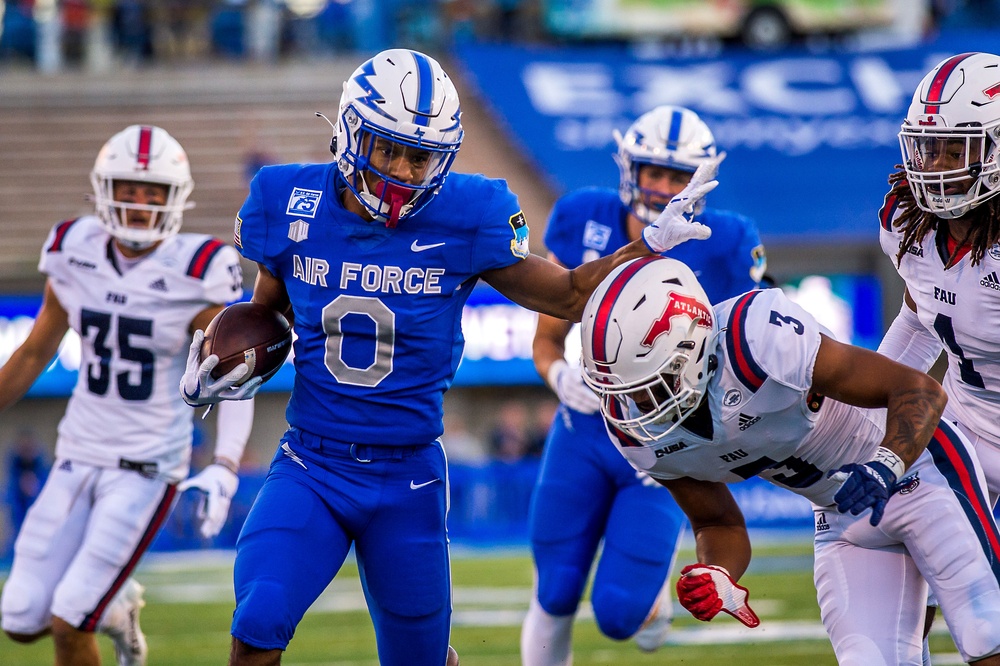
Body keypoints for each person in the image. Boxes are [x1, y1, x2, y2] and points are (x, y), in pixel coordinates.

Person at [177, 48, 722, 666]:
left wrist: (646, 247)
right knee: (259, 618)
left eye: (421, 156)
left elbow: (569, 293)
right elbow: (269, 312)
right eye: (388, 149)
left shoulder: (468, 215)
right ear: (353, 132)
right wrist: (224, 360)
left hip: (406, 476)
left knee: (419, 658)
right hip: (312, 465)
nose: (404, 170)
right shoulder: (288, 199)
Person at [578, 255, 1000, 665]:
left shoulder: (756, 341)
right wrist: (719, 574)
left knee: (987, 637)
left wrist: (884, 465)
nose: (632, 404)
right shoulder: (637, 432)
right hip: (842, 517)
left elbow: (919, 390)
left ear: (690, 344)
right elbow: (716, 522)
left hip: (918, 471)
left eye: (647, 384)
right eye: (622, 390)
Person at [0, 125, 256, 666]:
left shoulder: (199, 268)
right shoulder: (73, 249)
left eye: (153, 193)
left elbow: (235, 376)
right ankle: (117, 611)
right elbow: (30, 355)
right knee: (21, 621)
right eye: (128, 189)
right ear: (102, 188)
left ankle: (97, 611)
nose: (139, 204)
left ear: (174, 198)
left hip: (147, 468)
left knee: (70, 622)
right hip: (76, 455)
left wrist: (226, 465)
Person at [522, 105, 766, 662]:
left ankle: (653, 597)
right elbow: (545, 340)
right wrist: (559, 374)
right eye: (653, 172)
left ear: (701, 179)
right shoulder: (584, 215)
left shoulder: (725, 239)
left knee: (619, 615)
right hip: (583, 429)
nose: (662, 187)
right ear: (630, 168)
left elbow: (747, 343)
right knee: (554, 589)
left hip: (666, 441)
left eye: (678, 176)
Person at [876, 51, 1000, 660]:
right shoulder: (908, 223)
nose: (940, 167)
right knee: (907, 567)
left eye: (959, 149)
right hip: (968, 422)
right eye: (931, 148)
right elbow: (921, 316)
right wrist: (865, 392)